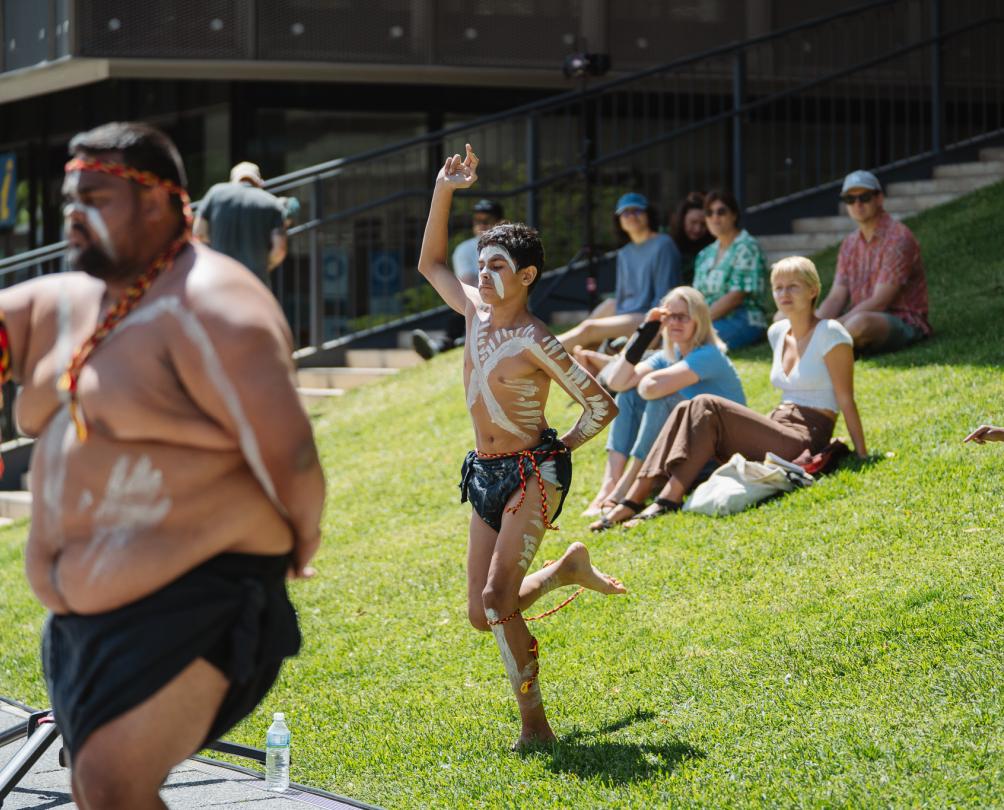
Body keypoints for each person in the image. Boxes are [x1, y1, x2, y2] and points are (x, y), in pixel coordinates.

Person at [3, 122, 325, 809]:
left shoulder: (214, 306)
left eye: (95, 196)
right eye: (69, 198)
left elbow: (292, 452)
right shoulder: (64, 303)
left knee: (113, 784)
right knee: (100, 789)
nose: (73, 215)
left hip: (199, 600)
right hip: (82, 621)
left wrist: (300, 541)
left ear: (158, 204)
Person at [417, 143, 626, 750]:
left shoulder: (537, 340)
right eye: (482, 264)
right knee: (483, 613)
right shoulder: (473, 310)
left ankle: (534, 723)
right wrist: (443, 189)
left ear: (527, 276)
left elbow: (600, 406)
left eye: (499, 265)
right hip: (483, 473)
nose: (485, 275)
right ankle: (565, 571)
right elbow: (431, 262)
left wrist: (560, 453)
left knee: (495, 595)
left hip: (534, 475)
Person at [599, 256, 866, 528]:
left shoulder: (831, 333)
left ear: (813, 290)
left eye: (793, 286)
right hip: (778, 423)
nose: (784, 294)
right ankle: (634, 499)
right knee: (683, 406)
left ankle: (663, 500)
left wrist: (862, 454)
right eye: (778, 287)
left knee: (704, 403)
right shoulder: (777, 332)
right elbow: (620, 382)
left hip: (807, 434)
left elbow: (846, 398)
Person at [583, 286, 746, 523]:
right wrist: (646, 331)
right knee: (627, 395)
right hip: (685, 449)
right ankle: (610, 487)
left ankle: (628, 488)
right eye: (669, 316)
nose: (675, 323)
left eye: (683, 316)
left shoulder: (709, 355)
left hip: (715, 455)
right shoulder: (670, 355)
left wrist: (645, 378)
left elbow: (651, 388)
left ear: (699, 320)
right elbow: (617, 382)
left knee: (662, 397)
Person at [816, 169, 931, 353]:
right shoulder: (849, 244)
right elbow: (836, 297)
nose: (857, 204)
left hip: (901, 319)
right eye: (850, 199)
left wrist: (828, 329)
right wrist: (814, 325)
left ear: (879, 199)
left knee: (861, 324)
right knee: (783, 318)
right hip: (857, 317)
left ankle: (824, 347)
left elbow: (880, 302)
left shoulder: (898, 239)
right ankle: (826, 346)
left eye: (865, 197)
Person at [557, 192, 682, 352]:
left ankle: (538, 355)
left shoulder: (663, 244)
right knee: (596, 321)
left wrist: (653, 330)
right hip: (626, 312)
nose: (631, 216)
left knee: (589, 329)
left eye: (637, 210)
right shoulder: (624, 253)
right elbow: (621, 297)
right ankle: (550, 360)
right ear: (619, 220)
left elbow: (665, 296)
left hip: (648, 315)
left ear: (648, 214)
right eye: (625, 212)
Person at [412, 198, 504, 359]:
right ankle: (448, 343)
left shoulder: (512, 248)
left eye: (487, 220)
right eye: (477, 220)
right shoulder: (465, 249)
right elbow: (466, 283)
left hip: (504, 303)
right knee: (464, 304)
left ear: (500, 222)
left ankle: (449, 344)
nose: (481, 224)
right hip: (477, 301)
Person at [692, 190, 768, 350]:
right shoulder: (705, 254)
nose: (715, 217)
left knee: (692, 342)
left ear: (734, 215)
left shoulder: (747, 247)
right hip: (708, 319)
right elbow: (697, 296)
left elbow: (736, 297)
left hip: (744, 318)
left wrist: (698, 322)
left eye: (721, 212)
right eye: (709, 213)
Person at [193, 160, 288, 286]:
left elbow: (198, 233)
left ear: (233, 180)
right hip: (255, 281)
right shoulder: (272, 203)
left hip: (220, 278)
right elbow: (279, 250)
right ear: (259, 181)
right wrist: (265, 266)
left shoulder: (215, 193)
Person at [668, 191, 713, 284]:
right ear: (681, 220)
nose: (698, 229)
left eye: (703, 224)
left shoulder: (712, 246)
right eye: (693, 222)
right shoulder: (667, 242)